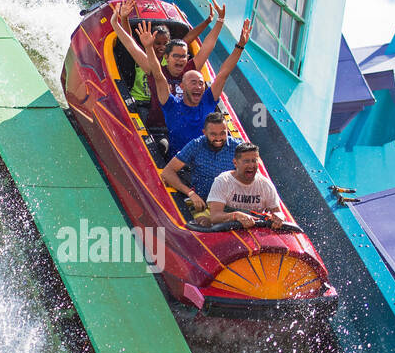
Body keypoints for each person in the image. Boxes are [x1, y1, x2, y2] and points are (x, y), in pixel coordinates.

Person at [115, 14, 252, 157]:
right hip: (159, 128)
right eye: (193, 83)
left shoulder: (200, 92)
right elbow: (135, 50)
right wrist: (118, 23)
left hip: (197, 142)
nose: (198, 86)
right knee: (162, 147)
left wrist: (222, 24)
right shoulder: (169, 96)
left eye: (200, 83)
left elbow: (218, 64)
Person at [160, 113, 240, 215]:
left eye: (222, 133)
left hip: (230, 205)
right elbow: (167, 172)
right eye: (213, 134)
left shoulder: (238, 148)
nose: (218, 138)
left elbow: (252, 176)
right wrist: (191, 193)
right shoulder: (195, 145)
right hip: (203, 203)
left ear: (227, 131)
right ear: (204, 132)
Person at [207, 143, 285, 229]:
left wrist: (279, 217)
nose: (251, 165)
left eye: (254, 161)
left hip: (256, 234)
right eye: (246, 161)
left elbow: (279, 213)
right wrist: (236, 216)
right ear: (235, 163)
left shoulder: (266, 184)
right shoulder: (223, 181)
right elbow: (214, 217)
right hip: (228, 232)